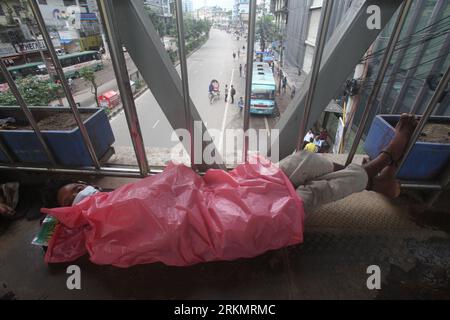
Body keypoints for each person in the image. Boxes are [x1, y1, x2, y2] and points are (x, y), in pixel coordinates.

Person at [42, 114, 418, 267]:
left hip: (224, 196)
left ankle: (377, 179)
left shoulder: (113, 197)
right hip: (224, 224)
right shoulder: (101, 239)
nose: (80, 190)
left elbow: (160, 190)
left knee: (304, 161)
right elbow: (163, 234)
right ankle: (381, 162)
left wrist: (186, 182)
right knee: (314, 195)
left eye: (77, 185)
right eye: (70, 196)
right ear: (71, 214)